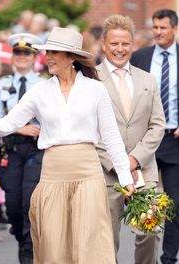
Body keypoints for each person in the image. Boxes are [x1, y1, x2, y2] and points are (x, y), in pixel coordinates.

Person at [0, 26, 136, 263]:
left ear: (72, 57)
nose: (48, 57)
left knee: (90, 244)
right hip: (52, 174)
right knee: (54, 246)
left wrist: (125, 178)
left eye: (55, 52)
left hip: (88, 174)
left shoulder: (95, 89)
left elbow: (112, 137)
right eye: (47, 52)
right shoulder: (39, 91)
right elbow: (4, 126)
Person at [96, 14, 166, 264]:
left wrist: (135, 158)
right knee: (105, 239)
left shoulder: (147, 79)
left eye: (125, 43)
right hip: (107, 175)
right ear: (104, 44)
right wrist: (118, 163)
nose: (119, 49)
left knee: (150, 231)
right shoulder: (90, 80)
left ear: (132, 44)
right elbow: (91, 132)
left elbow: (157, 125)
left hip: (143, 171)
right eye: (114, 43)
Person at [0, 32, 44, 263]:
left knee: (29, 201)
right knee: (12, 205)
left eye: (26, 53)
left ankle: (29, 252)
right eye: (18, 52)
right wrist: (18, 128)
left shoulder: (44, 85)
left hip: (36, 150)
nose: (21, 57)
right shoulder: (2, 86)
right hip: (11, 150)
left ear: (34, 57)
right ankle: (23, 240)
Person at [130, 9, 179, 264]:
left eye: (163, 28)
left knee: (174, 203)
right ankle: (146, 253)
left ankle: (168, 258)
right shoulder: (140, 57)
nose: (158, 32)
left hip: (174, 140)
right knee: (145, 200)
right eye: (155, 27)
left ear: (175, 29)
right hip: (145, 140)